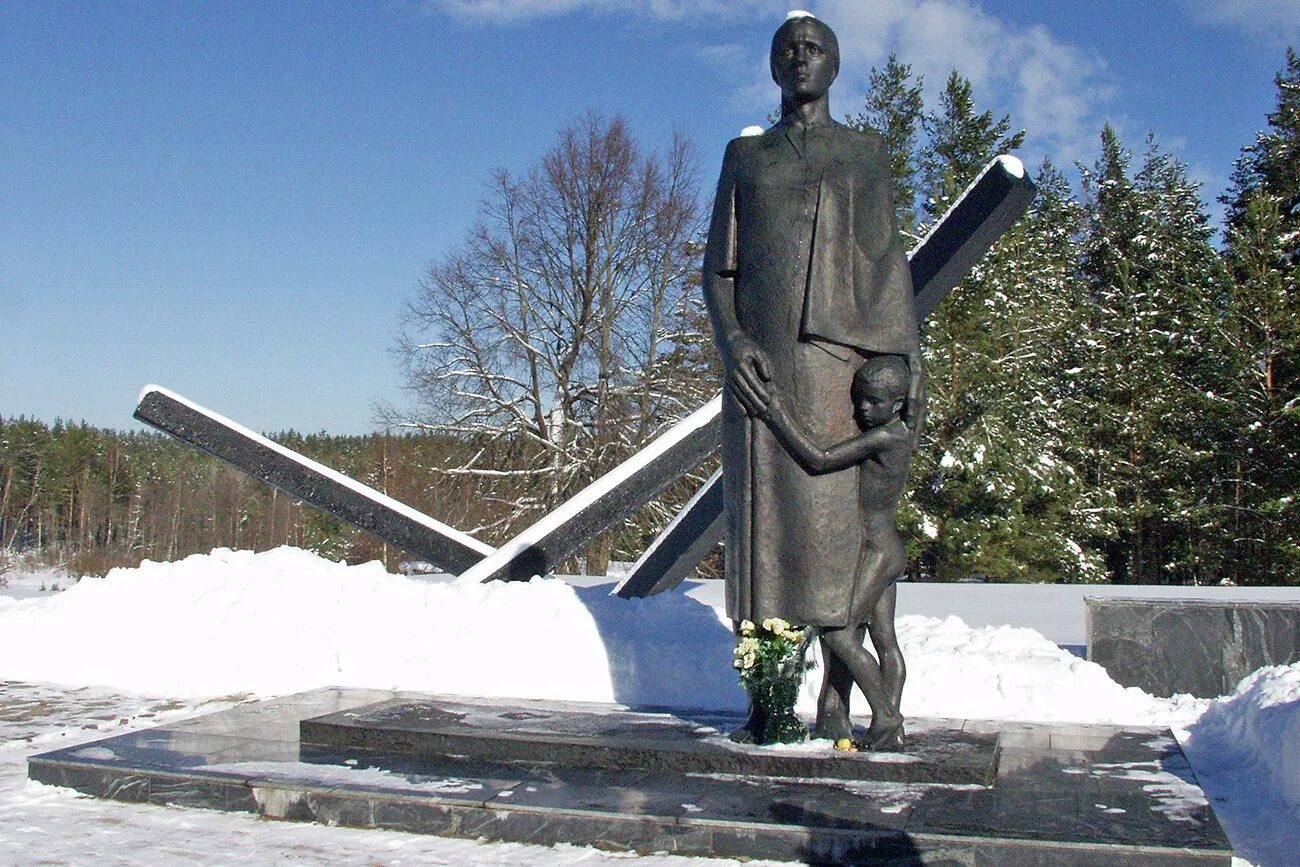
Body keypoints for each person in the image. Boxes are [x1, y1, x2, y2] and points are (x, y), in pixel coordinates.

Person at [702, 13, 923, 745]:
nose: (801, 58)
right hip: (762, 378)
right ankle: (768, 703)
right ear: (772, 68)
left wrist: (900, 371)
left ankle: (841, 703)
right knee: (764, 549)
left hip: (836, 376)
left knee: (833, 551)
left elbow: (889, 272)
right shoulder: (746, 156)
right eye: (788, 50)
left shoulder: (864, 154)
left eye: (816, 48)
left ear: (834, 64)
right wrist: (734, 348)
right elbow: (718, 269)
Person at [760, 355, 912, 749]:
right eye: (860, 399)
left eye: (874, 401)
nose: (863, 408)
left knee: (841, 635)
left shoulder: (885, 437)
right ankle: (890, 730)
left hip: (877, 550)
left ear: (897, 404)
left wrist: (777, 414)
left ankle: (887, 714)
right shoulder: (901, 432)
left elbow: (820, 459)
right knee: (885, 642)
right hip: (887, 546)